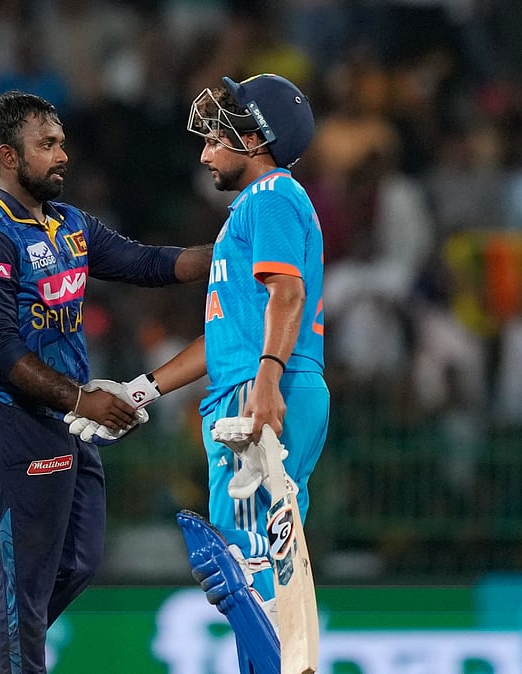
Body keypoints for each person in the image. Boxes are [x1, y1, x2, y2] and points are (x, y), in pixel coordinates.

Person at [0, 91, 212, 674]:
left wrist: (227, 249)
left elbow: (146, 264)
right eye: (46, 144)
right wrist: (83, 400)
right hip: (5, 411)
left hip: (64, 412)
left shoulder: (69, 224)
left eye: (62, 142)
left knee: (75, 563)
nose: (61, 154)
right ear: (7, 156)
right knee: (26, 577)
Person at [108, 73, 327, 672]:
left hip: (258, 393)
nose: (205, 152)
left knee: (244, 570)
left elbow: (288, 292)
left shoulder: (274, 196)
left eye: (216, 139)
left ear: (255, 138)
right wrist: (143, 388)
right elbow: (226, 336)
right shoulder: (248, 213)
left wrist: (264, 383)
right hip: (252, 381)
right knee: (261, 572)